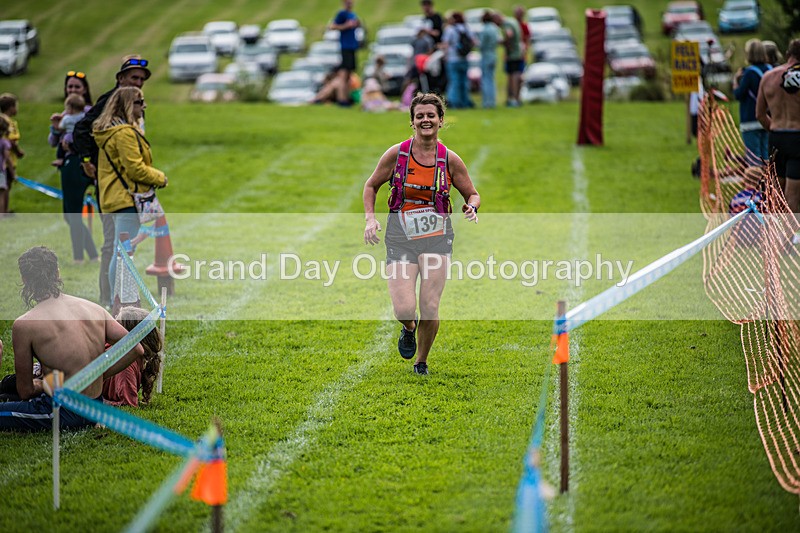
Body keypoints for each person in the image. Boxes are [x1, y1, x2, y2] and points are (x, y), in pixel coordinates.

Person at [362, 93, 480, 375]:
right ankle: (408, 328)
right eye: (420, 116)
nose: (425, 120)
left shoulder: (450, 159)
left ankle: (421, 361)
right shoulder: (397, 154)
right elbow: (371, 185)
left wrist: (472, 207)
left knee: (430, 305)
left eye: (431, 115)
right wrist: (370, 219)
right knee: (404, 309)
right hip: (400, 237)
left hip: (437, 238)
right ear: (412, 122)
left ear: (441, 120)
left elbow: (472, 194)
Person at [0, 246, 143, 431]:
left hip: (61, 410)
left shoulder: (24, 325)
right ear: (57, 273)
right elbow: (136, 348)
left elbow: (25, 391)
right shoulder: (94, 308)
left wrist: (44, 384)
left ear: (25, 280)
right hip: (95, 406)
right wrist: (95, 376)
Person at [73, 55, 151, 307]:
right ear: (120, 78)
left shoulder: (132, 105)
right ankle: (110, 300)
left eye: (141, 79)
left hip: (127, 188)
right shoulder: (111, 101)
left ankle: (118, 300)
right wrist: (88, 160)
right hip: (114, 189)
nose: (138, 82)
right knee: (114, 246)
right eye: (133, 77)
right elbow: (81, 129)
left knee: (122, 246)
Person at [93, 86, 167, 305]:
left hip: (114, 197)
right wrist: (160, 178)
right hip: (126, 199)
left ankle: (118, 302)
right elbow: (135, 169)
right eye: (139, 102)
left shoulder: (111, 132)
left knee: (121, 252)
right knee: (124, 254)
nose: (144, 106)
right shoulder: (124, 133)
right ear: (127, 105)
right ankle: (118, 304)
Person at [51, 93, 100, 264]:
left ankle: (78, 257)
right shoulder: (71, 115)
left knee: (73, 214)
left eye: (77, 87)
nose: (73, 89)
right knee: (70, 216)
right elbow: (52, 141)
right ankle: (93, 255)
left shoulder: (89, 114)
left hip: (76, 163)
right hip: (71, 162)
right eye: (70, 86)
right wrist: (55, 129)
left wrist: (59, 128)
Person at [756, 39, 800, 214]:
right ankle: (789, 232)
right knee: (793, 197)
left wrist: (774, 128)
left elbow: (759, 114)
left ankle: (776, 231)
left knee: (777, 196)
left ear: (788, 54)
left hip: (776, 138)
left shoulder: (768, 77)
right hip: (797, 138)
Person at [103, 306, 162, 407]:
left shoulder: (125, 366)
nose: (113, 324)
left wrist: (99, 401)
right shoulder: (114, 346)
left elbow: (127, 404)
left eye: (117, 324)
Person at [733, 39, 772, 166]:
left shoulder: (749, 73)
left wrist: (736, 81)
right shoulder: (770, 69)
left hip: (750, 119)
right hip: (768, 118)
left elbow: (739, 94)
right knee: (766, 156)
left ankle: (756, 179)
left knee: (754, 159)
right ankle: (767, 179)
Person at [329, 0, 361, 107]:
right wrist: (346, 26)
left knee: (349, 75)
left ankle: (346, 97)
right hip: (345, 47)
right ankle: (341, 98)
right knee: (344, 73)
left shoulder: (353, 14)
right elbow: (332, 26)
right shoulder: (342, 14)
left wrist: (357, 24)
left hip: (352, 46)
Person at [442, 12, 476, 109]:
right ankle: (465, 102)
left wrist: (445, 55)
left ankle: (454, 102)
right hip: (464, 58)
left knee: (454, 81)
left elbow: (445, 44)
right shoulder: (466, 28)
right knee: (464, 81)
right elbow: (473, 41)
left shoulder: (450, 29)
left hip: (453, 59)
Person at [494, 11, 524, 107]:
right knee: (517, 75)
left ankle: (513, 99)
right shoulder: (512, 20)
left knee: (513, 76)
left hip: (512, 54)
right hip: (518, 52)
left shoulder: (507, 24)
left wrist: (505, 44)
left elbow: (509, 34)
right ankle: (517, 98)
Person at [0, 93, 24, 214]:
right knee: (5, 187)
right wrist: (18, 152)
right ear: (11, 107)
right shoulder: (9, 123)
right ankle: (4, 210)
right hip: (7, 160)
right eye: (16, 106)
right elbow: (12, 141)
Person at [479, 10, 499, 108]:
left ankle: (487, 102)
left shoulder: (485, 29)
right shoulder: (495, 28)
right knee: (491, 79)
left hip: (486, 55)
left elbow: (481, 44)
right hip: (493, 54)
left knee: (486, 79)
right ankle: (493, 101)